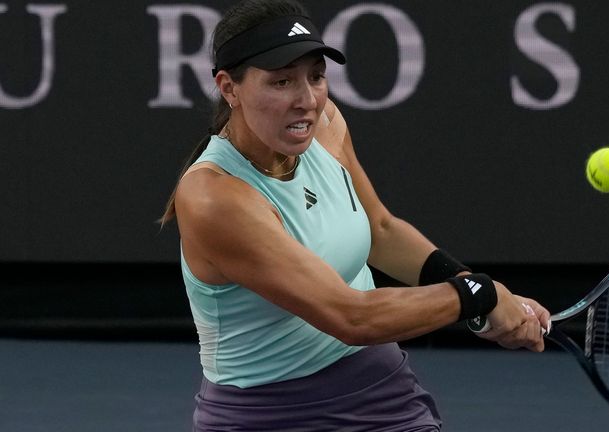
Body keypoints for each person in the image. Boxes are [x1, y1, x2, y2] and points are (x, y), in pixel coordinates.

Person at [159, 0, 551, 430]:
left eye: (316, 76)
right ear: (229, 88)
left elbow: (381, 231)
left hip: (383, 397)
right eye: (282, 81)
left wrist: (471, 286)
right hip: (264, 417)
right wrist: (480, 295)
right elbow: (352, 317)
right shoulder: (214, 198)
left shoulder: (325, 123)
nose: (306, 100)